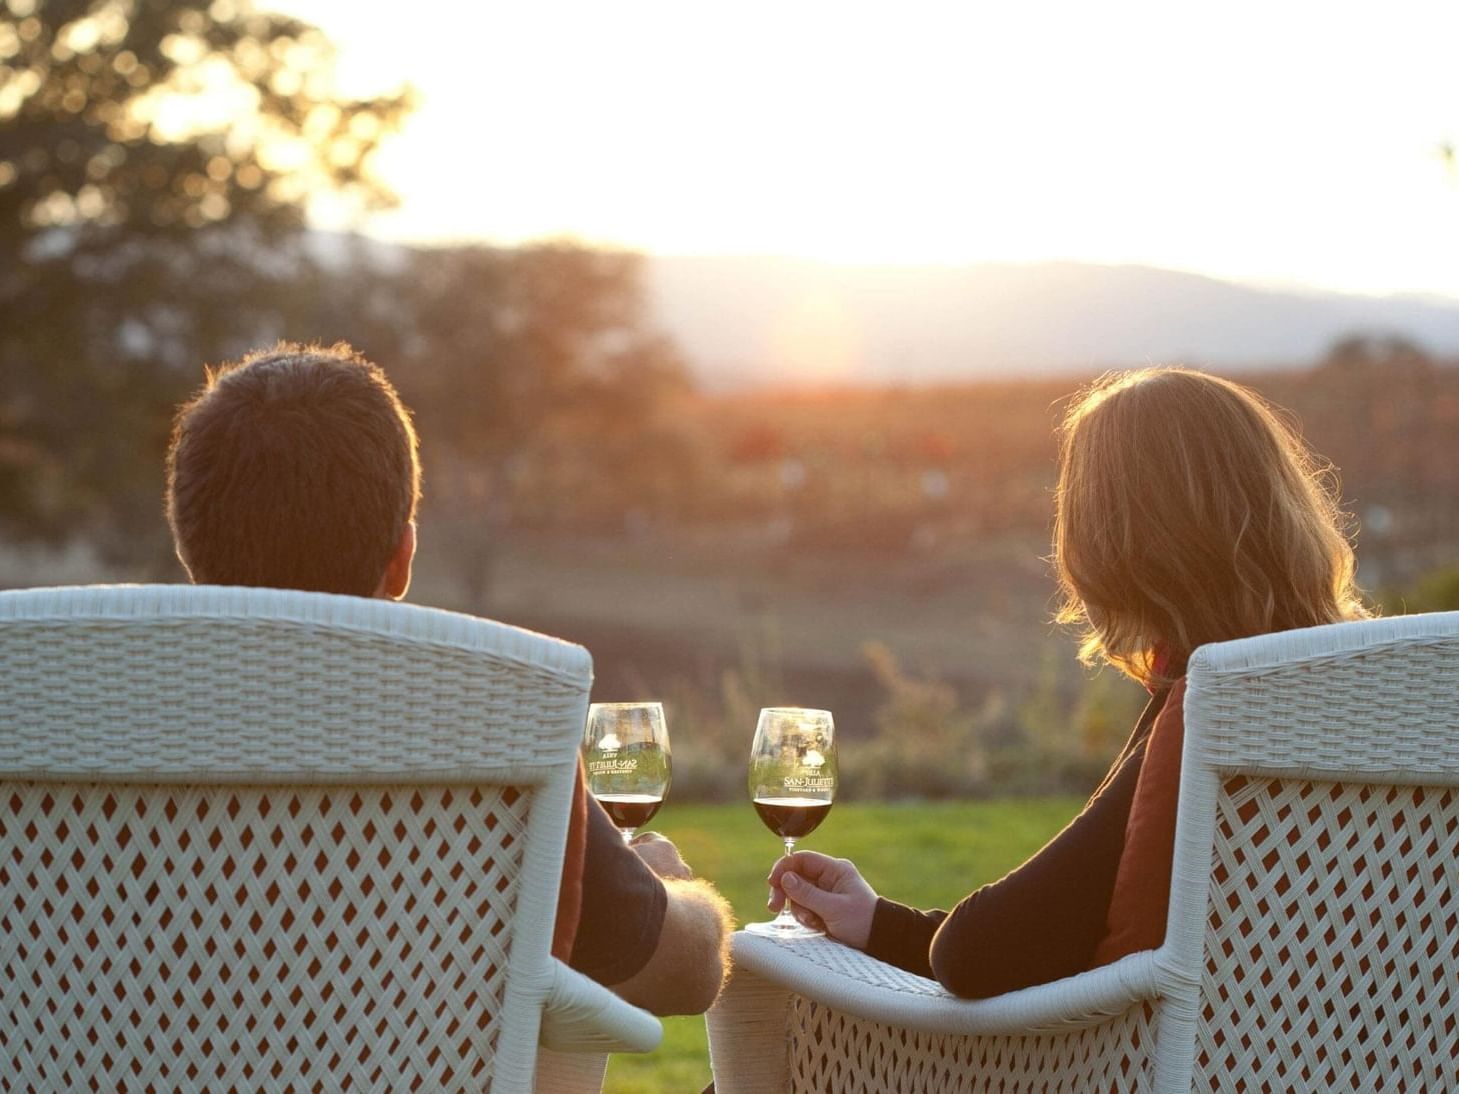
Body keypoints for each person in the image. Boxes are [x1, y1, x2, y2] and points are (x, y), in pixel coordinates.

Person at [165, 341, 732, 1015]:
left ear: (186, 544)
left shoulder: (48, 707)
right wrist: (666, 886)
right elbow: (685, 975)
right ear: (402, 557)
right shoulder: (496, 717)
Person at [768, 366, 1370, 998]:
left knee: (784, 1027)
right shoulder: (1383, 692)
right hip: (1356, 1061)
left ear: (1122, 542)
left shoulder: (1222, 701)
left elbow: (980, 954)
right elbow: (1053, 935)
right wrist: (877, 924)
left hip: (1125, 1069)